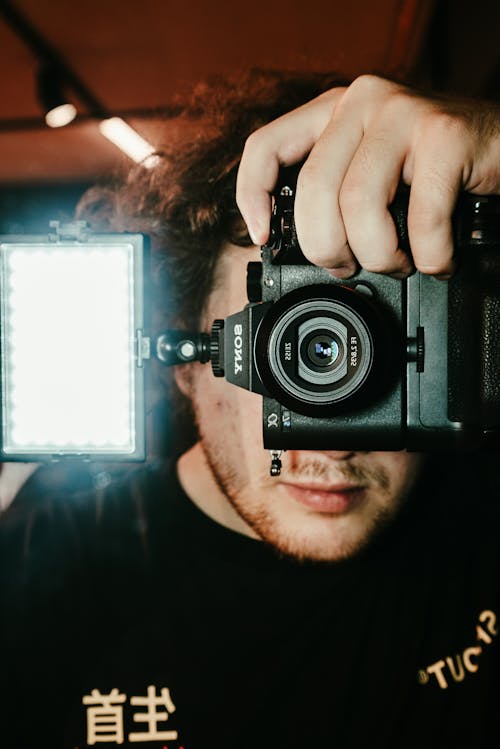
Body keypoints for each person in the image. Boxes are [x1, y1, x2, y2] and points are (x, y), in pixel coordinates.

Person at [1, 69, 499, 748]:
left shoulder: (482, 511)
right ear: (187, 354)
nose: (330, 445)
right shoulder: (36, 575)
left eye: (375, 349)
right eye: (284, 352)